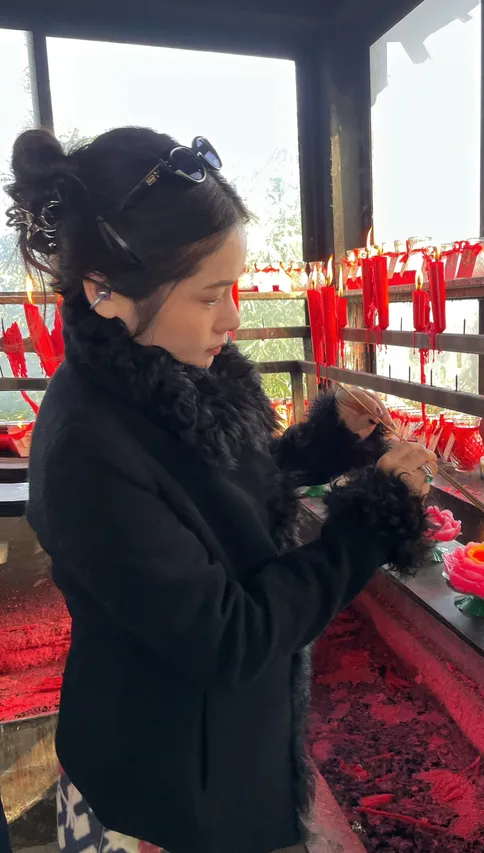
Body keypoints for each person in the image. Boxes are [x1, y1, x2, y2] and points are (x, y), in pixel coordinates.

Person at [7, 127, 437, 853]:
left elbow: (223, 491)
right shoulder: (86, 449)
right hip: (160, 790)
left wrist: (334, 441)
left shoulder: (163, 368)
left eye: (233, 288)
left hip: (224, 747)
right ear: (105, 290)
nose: (233, 319)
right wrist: (369, 524)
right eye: (210, 295)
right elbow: (231, 635)